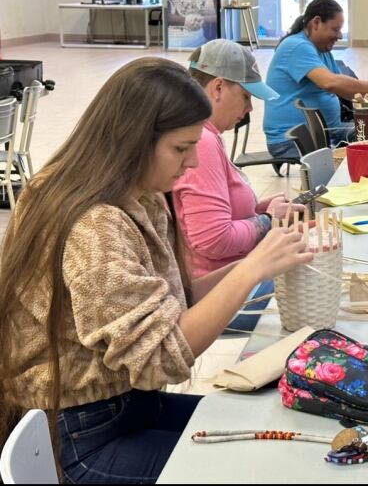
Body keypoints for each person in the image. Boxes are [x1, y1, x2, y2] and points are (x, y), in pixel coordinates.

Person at [0, 58, 312, 483]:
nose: (191, 164)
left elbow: (173, 301)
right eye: (181, 148)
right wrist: (249, 270)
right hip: (81, 437)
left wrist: (257, 267)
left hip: (124, 406)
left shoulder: (134, 192)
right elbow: (160, 359)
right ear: (133, 139)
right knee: (249, 469)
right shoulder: (93, 223)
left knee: (262, 432)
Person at [174, 39, 305, 331]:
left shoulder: (208, 137)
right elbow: (213, 240)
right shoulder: (203, 142)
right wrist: (268, 221)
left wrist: (260, 209)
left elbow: (211, 212)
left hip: (229, 279)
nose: (249, 109)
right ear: (218, 88)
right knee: (310, 279)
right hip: (221, 292)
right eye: (245, 97)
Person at [263, 0, 368, 159]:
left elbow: (343, 89)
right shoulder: (297, 46)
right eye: (335, 29)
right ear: (316, 23)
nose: (339, 36)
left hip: (328, 132)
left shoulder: (321, 50)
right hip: (292, 140)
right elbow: (330, 83)